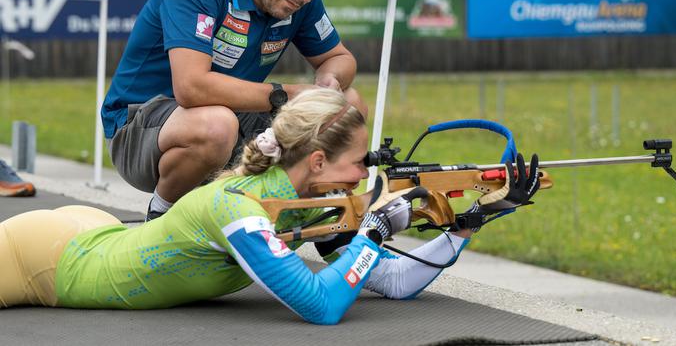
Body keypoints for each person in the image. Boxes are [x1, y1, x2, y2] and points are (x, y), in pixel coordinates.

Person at [0, 89, 541, 323]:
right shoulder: (239, 209)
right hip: (47, 259)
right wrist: (375, 228)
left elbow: (394, 282)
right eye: (359, 164)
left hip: (95, 235)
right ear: (320, 162)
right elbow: (322, 306)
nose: (365, 176)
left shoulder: (307, 203)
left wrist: (470, 224)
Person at [101, 0, 366, 221]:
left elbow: (341, 59)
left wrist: (328, 82)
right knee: (217, 125)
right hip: (139, 126)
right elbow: (191, 88)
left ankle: (319, 219)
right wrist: (290, 94)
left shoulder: (298, 0)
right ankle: (162, 219)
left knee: (347, 103)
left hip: (231, 114)